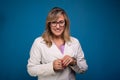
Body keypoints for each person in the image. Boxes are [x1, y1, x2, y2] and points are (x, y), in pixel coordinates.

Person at [27, 7, 88, 80]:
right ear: (49, 24)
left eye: (61, 22)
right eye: (54, 22)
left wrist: (74, 62)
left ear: (65, 23)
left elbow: (84, 68)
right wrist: (51, 67)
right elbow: (31, 70)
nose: (58, 26)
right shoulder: (39, 42)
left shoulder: (75, 42)